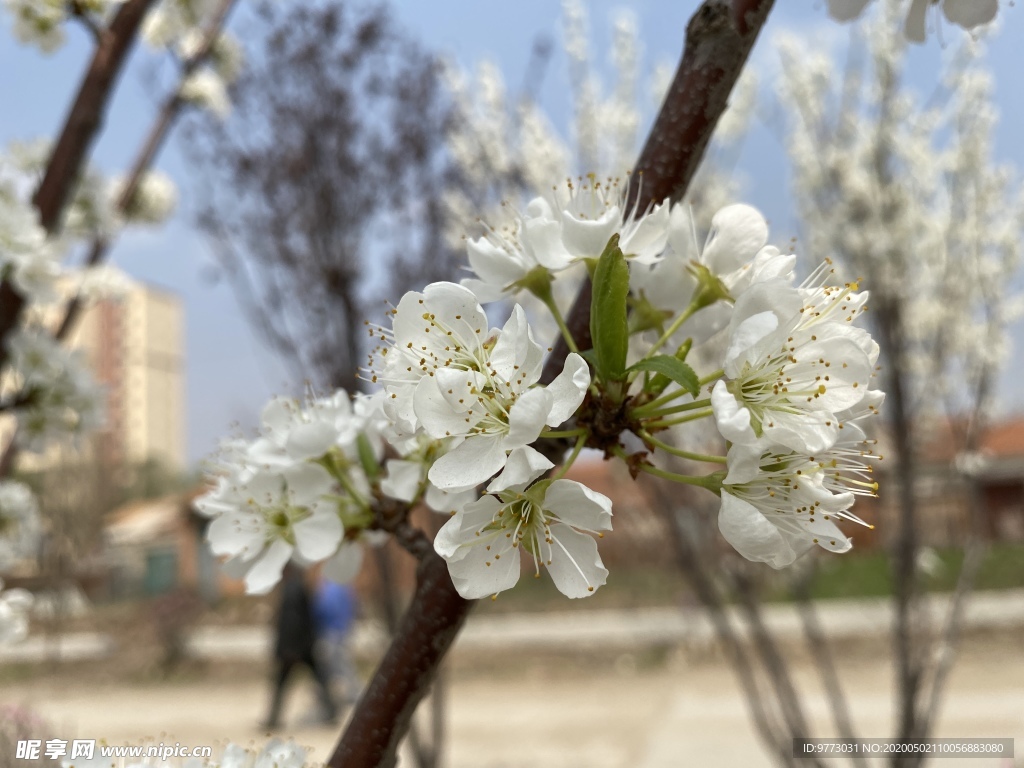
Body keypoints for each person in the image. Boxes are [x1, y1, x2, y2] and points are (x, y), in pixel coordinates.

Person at [262, 563, 338, 729]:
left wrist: (288, 649)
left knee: (283, 684)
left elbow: (292, 622)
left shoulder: (292, 589)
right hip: (303, 647)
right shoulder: (297, 586)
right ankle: (331, 712)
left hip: (296, 649)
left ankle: (273, 720)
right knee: (318, 680)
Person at [313, 577, 360, 705]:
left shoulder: (332, 588)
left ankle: (349, 693)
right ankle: (350, 692)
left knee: (334, 664)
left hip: (332, 630)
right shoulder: (345, 585)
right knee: (341, 663)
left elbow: (325, 608)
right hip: (342, 629)